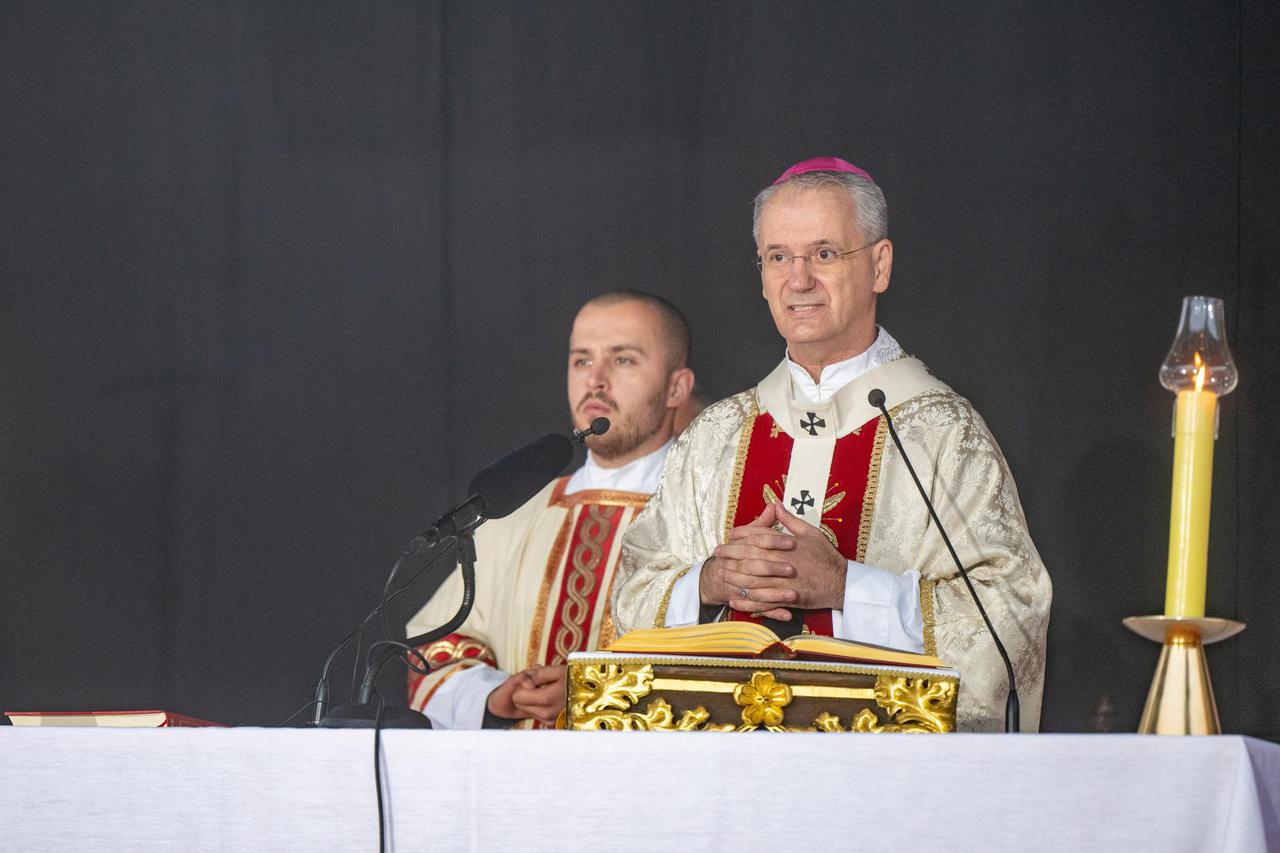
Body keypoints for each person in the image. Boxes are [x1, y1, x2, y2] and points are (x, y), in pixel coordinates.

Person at [612, 157, 1051, 731]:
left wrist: (846, 587)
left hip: (879, 779)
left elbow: (1010, 623)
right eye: (778, 257)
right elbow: (629, 600)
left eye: (823, 253)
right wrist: (708, 584)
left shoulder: (942, 433)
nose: (798, 280)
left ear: (879, 265)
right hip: (723, 775)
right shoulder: (716, 436)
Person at [405, 291, 695, 728]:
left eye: (623, 360)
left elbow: (737, 662)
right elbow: (440, 645)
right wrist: (494, 696)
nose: (595, 380)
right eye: (581, 360)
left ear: (677, 387)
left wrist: (600, 692)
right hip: (520, 785)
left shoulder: (713, 512)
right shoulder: (515, 511)